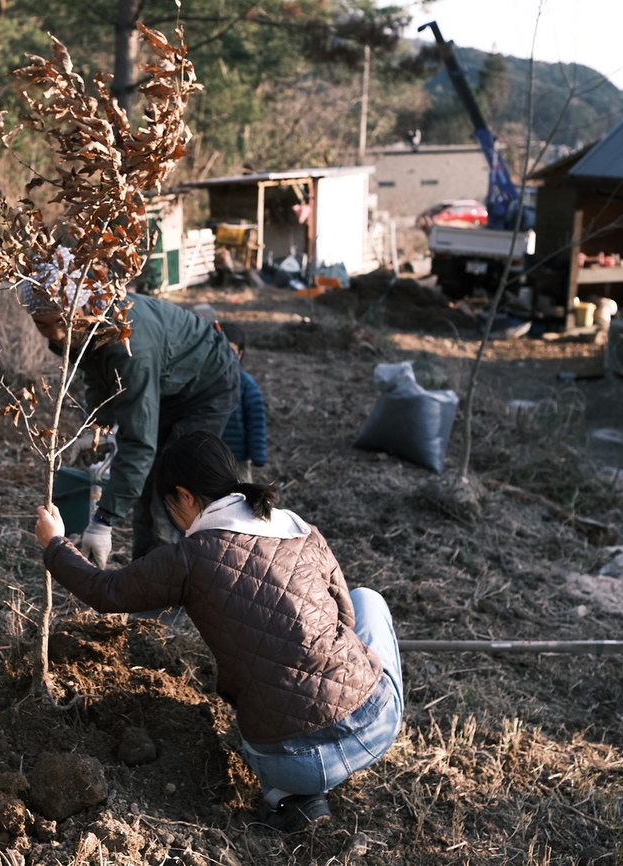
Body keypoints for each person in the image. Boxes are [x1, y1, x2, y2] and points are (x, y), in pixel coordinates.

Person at [33, 431, 403, 832]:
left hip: (293, 762)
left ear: (185, 496)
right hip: (377, 723)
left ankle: (292, 797)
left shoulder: (190, 557)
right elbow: (346, 618)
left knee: (259, 692)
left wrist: (54, 544)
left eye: (171, 505)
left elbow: (104, 591)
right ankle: (344, 738)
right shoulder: (300, 529)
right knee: (368, 599)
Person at [23, 257, 240, 565]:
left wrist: (103, 521)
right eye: (42, 325)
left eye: (63, 322)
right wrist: (97, 427)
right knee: (148, 481)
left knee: (173, 488)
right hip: (167, 383)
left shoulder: (127, 344)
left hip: (207, 387)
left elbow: (140, 442)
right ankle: (146, 574)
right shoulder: (83, 328)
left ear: (85, 305)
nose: (57, 335)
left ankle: (171, 591)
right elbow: (98, 374)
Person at [218, 323, 268, 484]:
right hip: (210, 455)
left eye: (231, 351)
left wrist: (258, 455)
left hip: (237, 457)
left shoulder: (246, 383)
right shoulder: (203, 381)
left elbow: (256, 420)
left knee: (242, 496)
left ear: (240, 354)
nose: (226, 356)